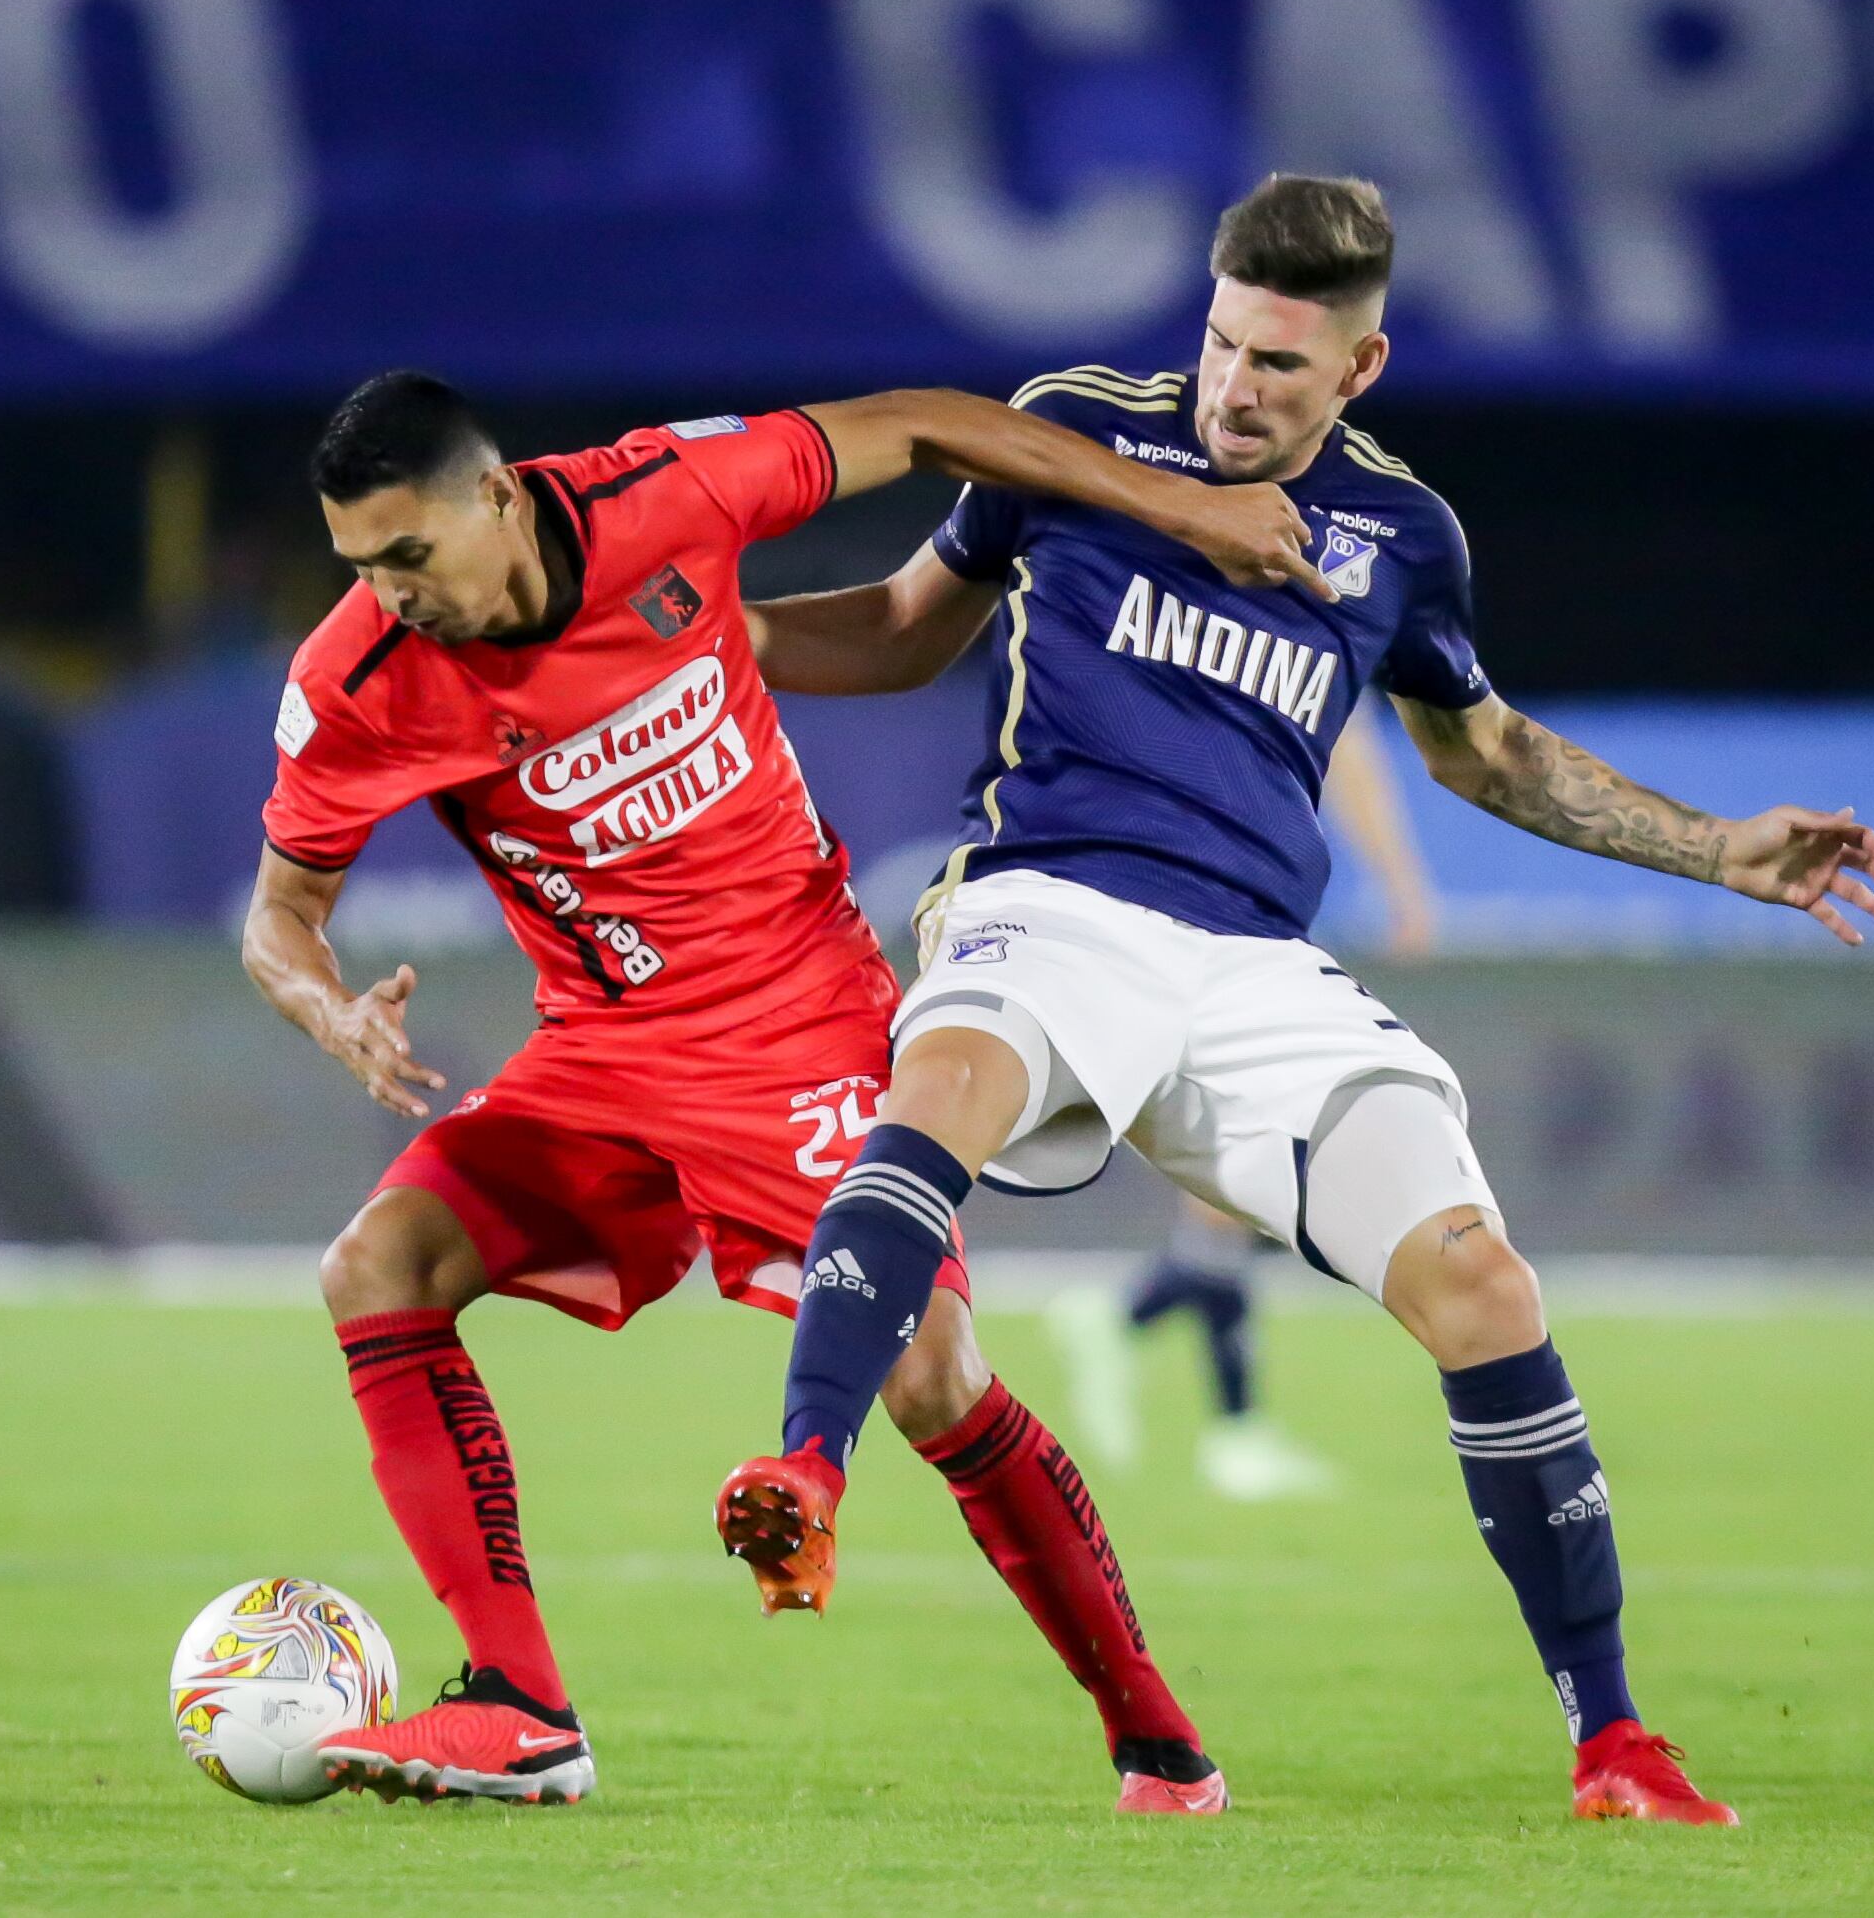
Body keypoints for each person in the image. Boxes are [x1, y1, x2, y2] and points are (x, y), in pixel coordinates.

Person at [719, 175, 1874, 1825]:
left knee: (1483, 1286)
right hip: (1047, 897)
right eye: (1218, 340)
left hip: (1256, 968)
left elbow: (1479, 747)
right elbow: (907, 629)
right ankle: (804, 1465)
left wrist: (1716, 848)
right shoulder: (1079, 437)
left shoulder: (1403, 538)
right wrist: (703, 637)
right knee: (951, 1080)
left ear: (1358, 367)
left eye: (1279, 362)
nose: (1232, 385)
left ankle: (1613, 1739)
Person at [245, 370, 1313, 1809]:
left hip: (801, 1016)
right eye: (359, 567)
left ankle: (1158, 1740)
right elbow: (278, 914)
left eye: (408, 556)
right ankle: (519, 1705)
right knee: (376, 1264)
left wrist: (1188, 506)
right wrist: (330, 1010)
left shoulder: (667, 493)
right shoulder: (357, 678)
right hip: (603, 1047)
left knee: (934, 1377)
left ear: (494, 494)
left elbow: (932, 421)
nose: (388, 593)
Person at [1046, 714, 1439, 1499]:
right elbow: (1352, 751)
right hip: (1208, 926)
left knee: (1234, 1192)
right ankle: (1219, 1419)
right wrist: (1402, 886)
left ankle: (1138, 1335)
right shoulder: (1293, 613)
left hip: (1192, 918)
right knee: (1246, 1180)